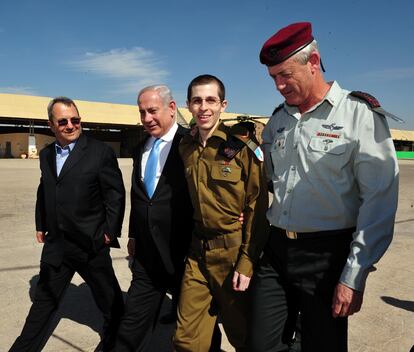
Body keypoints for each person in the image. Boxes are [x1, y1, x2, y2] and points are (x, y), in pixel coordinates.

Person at [249, 22, 399, 351]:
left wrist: (353, 274)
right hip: (275, 250)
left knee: (321, 345)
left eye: (285, 74)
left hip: (325, 257)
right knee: (259, 343)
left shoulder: (359, 115)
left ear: (313, 62)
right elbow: (271, 178)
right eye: (273, 77)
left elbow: (378, 201)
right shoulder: (278, 120)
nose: (278, 85)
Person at [10, 97, 125, 352]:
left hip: (90, 243)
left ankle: (113, 341)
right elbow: (46, 189)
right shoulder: (47, 154)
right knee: (42, 304)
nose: (71, 125)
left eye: (76, 119)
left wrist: (109, 232)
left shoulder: (99, 151)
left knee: (112, 304)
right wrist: (41, 222)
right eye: (63, 121)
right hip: (57, 245)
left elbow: (115, 194)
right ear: (52, 125)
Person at [113, 85, 221, 351]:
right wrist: (134, 234)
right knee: (131, 326)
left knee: (198, 326)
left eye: (152, 111)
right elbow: (139, 197)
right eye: (142, 113)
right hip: (148, 256)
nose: (147, 118)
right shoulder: (141, 148)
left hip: (186, 255)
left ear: (171, 108)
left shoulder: (194, 143)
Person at [173, 74, 269, 352]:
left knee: (243, 336)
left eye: (210, 100)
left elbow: (257, 206)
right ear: (188, 106)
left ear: (223, 105)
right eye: (197, 101)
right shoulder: (186, 147)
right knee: (186, 340)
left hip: (232, 253)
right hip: (197, 252)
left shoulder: (241, 148)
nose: (204, 107)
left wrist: (247, 262)